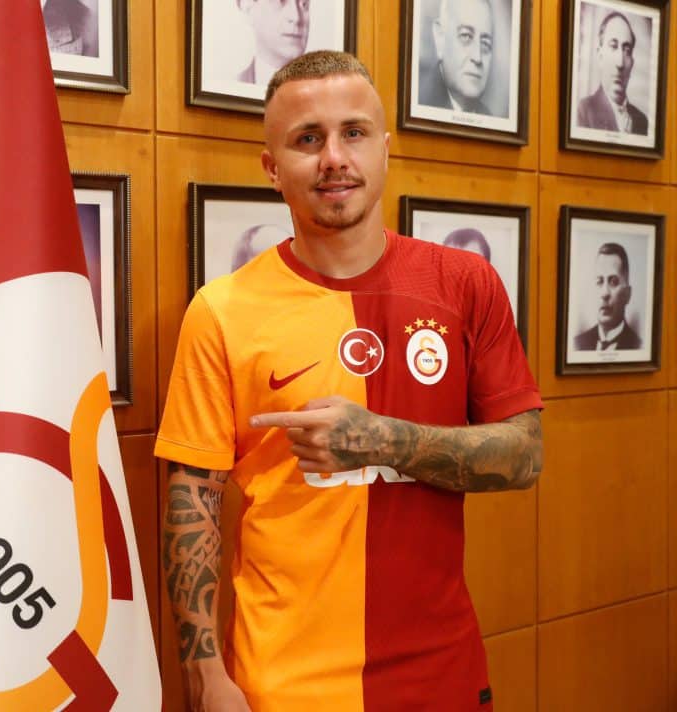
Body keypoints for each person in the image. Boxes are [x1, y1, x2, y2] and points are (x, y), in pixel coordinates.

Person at [156, 51, 542, 710]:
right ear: (272, 168)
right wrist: (204, 672)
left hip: (439, 672)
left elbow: (525, 455)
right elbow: (192, 498)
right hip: (281, 680)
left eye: (353, 133)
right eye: (308, 139)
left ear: (385, 149)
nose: (334, 158)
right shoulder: (221, 310)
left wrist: (383, 439)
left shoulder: (464, 284)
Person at [576, 11, 648, 134]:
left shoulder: (642, 121)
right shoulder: (583, 111)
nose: (620, 63)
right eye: (613, 46)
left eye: (627, 50)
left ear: (632, 63)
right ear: (600, 56)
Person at [419, 0, 495, 114]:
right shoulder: (419, 104)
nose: (477, 57)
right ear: (440, 38)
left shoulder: (488, 118)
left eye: (485, 43)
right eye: (466, 36)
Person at [573, 242, 641, 350]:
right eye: (599, 282)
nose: (605, 293)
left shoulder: (639, 347)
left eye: (613, 282)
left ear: (627, 294)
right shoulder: (577, 344)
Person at [235, 0, 310, 85]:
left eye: (304, 4)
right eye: (281, 1)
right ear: (247, 7)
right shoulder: (232, 87)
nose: (296, 17)